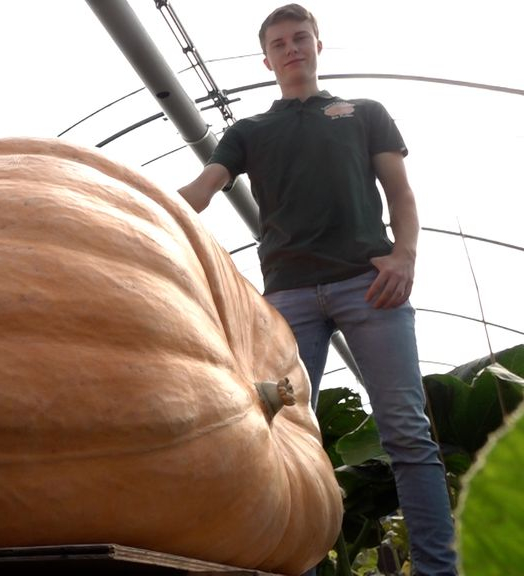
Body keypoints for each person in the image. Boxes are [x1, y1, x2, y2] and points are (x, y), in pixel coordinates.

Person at [176, 4, 458, 575]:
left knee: (406, 431)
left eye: (300, 38)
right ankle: (291, 565)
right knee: (275, 433)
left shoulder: (363, 113)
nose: (291, 49)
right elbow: (203, 190)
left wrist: (404, 256)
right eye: (278, 44)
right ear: (267, 59)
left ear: (318, 46)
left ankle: (437, 569)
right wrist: (132, 204)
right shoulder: (249, 132)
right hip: (287, 302)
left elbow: (401, 194)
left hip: (369, 287)